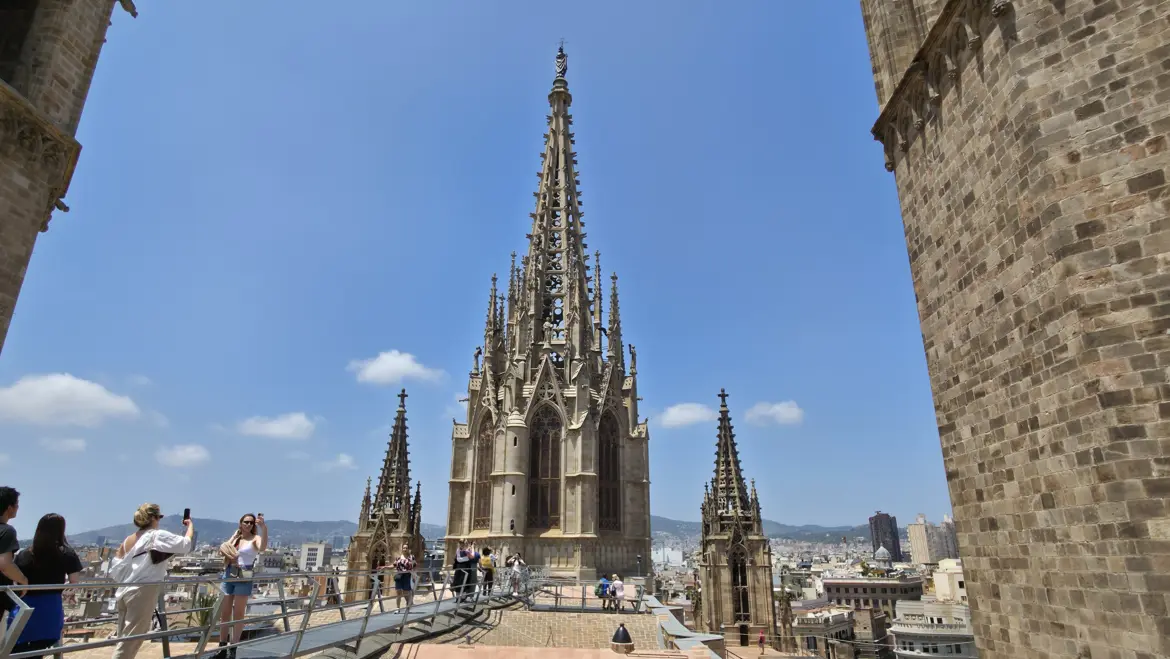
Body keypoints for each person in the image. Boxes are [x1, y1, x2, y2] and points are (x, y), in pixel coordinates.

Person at [109, 503, 194, 659]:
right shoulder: (156, 535)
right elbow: (186, 544)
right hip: (142, 590)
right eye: (159, 517)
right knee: (132, 639)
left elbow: (115, 567)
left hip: (124, 590)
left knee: (124, 638)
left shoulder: (128, 540)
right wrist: (190, 526)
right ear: (154, 518)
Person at [7, 514, 83, 655]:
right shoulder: (67, 553)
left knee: (18, 651)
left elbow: (14, 579)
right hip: (49, 611)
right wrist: (68, 593)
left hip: (24, 609)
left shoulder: (24, 554)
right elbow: (74, 582)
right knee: (38, 650)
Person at [215, 513, 267, 659]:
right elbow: (222, 550)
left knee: (238, 614)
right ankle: (222, 648)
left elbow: (262, 548)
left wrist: (264, 528)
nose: (249, 524)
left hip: (244, 575)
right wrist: (234, 536)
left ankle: (233, 649)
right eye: (246, 522)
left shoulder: (255, 538)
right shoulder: (236, 537)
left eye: (251, 522)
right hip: (229, 574)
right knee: (225, 613)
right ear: (241, 523)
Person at [0, 487, 27, 640]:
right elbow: (4, 564)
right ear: (9, 508)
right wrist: (23, 580)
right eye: (17, 504)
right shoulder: (6, 531)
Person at [392, 543, 416, 609]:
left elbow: (414, 567)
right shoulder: (398, 558)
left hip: (407, 576)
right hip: (399, 576)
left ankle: (408, 605)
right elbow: (393, 565)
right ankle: (397, 608)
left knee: (406, 593)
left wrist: (414, 576)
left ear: (408, 549)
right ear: (402, 549)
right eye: (404, 548)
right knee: (398, 593)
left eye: (406, 548)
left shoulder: (411, 557)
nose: (405, 549)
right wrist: (385, 567)